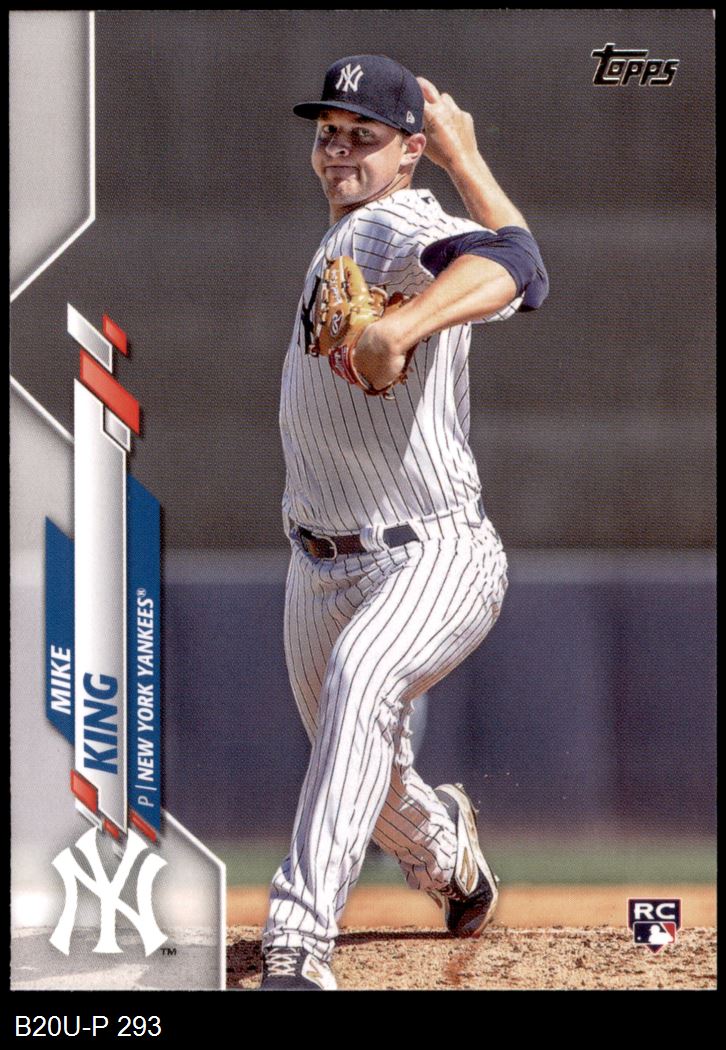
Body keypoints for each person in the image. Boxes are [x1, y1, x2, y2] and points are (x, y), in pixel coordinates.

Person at [259, 54, 548, 991]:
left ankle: (298, 942)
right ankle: (444, 851)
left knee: (362, 682)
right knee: (366, 768)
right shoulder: (344, 233)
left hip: (430, 550)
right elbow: (517, 256)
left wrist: (399, 328)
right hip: (318, 563)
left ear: (408, 152)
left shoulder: (393, 221)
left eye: (364, 136)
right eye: (328, 133)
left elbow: (518, 270)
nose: (340, 149)